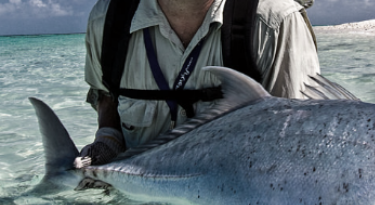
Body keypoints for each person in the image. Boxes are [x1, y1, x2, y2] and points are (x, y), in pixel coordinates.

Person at [81, 0, 320, 166]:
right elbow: (106, 94)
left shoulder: (276, 21)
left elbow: (298, 141)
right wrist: (107, 140)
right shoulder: (108, 21)